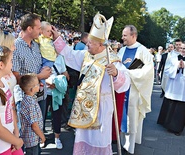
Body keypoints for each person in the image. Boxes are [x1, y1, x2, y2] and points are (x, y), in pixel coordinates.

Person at [52, 12, 130, 155]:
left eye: (90, 43)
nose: (87, 44)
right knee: (83, 137)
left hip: (102, 107)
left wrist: (116, 74)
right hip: (84, 107)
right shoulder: (86, 55)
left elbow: (125, 82)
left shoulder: (112, 59)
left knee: (98, 140)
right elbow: (69, 55)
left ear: (101, 44)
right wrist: (57, 37)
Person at [12, 13, 51, 138]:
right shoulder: (15, 47)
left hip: (40, 95)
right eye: (38, 28)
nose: (40, 31)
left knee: (39, 133)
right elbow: (16, 77)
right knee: (25, 136)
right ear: (29, 29)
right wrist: (39, 76)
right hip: (25, 99)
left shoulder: (36, 45)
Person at [117, 25, 154, 154]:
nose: (122, 38)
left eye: (125, 35)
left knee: (131, 120)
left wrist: (129, 73)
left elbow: (148, 72)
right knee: (121, 116)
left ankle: (130, 148)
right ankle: (121, 143)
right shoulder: (121, 51)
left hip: (134, 91)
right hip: (121, 90)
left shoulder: (143, 51)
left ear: (133, 36)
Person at [157, 40, 184, 136]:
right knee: (170, 104)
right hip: (173, 84)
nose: (183, 50)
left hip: (182, 88)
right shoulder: (173, 57)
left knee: (179, 108)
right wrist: (177, 66)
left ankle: (177, 127)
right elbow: (167, 69)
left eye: (184, 48)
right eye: (182, 48)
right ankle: (166, 123)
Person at [44, 54, 69, 149]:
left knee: (57, 115)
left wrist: (59, 83)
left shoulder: (60, 57)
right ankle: (42, 138)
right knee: (42, 115)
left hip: (57, 92)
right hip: (43, 91)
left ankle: (57, 137)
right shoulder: (41, 54)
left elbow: (64, 73)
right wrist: (47, 82)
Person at [19, 73, 46, 155]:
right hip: (32, 140)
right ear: (32, 89)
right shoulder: (30, 103)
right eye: (38, 84)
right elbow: (34, 125)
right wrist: (42, 136)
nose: (40, 84)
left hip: (32, 139)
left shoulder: (28, 100)